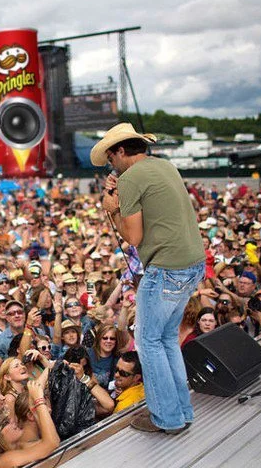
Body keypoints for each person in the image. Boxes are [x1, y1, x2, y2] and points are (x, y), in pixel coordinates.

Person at [94, 122, 204, 434]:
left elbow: (133, 238)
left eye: (111, 158)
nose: (111, 165)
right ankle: (181, 411)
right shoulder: (165, 166)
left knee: (149, 342)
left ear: (120, 150)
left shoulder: (131, 178)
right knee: (167, 338)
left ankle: (167, 417)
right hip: (191, 264)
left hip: (166, 268)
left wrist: (113, 209)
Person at [0, 379, 59, 468]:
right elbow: (52, 443)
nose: (12, 422)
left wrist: (35, 412)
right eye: (5, 424)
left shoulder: (19, 446)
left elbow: (50, 441)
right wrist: (39, 401)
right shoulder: (4, 460)